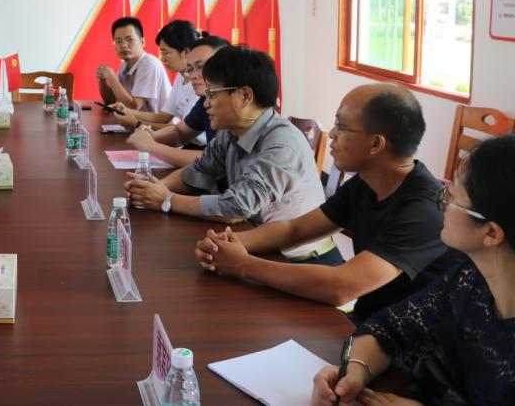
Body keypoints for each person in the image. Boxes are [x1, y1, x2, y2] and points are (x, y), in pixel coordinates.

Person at [197, 83, 462, 320]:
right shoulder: (366, 183)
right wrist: (225, 244)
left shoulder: (424, 210)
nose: (332, 133)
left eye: (342, 126)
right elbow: (294, 229)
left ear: (376, 144)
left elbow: (341, 286)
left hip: (409, 346)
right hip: (372, 326)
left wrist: (243, 265)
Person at [312, 134, 515, 406]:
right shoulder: (468, 279)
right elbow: (388, 327)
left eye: (451, 197)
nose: (440, 201)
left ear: (490, 233)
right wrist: (355, 372)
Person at [125, 46, 332, 261]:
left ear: (245, 96)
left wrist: (166, 199)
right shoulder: (231, 131)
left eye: (212, 94)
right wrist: (154, 188)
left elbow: (237, 207)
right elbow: (198, 170)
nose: (206, 103)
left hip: (302, 260)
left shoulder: (282, 144)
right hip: (253, 243)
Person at [122, 34, 230, 168]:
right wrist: (151, 135)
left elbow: (215, 160)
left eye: (201, 66)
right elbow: (180, 132)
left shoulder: (231, 104)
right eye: (191, 69)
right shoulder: (206, 98)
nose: (193, 76)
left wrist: (151, 146)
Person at [110, 20, 200, 130]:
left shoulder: (199, 83)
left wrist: (137, 124)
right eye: (161, 53)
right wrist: (125, 110)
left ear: (186, 52)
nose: (162, 59)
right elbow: (163, 116)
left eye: (166, 52)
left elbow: (183, 130)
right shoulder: (182, 76)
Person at [97, 17, 170, 113]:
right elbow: (111, 100)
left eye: (129, 39)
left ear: (142, 42)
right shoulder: (125, 65)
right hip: (140, 122)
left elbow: (134, 106)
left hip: (161, 122)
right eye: (118, 41)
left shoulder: (149, 64)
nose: (124, 45)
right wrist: (102, 81)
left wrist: (111, 77)